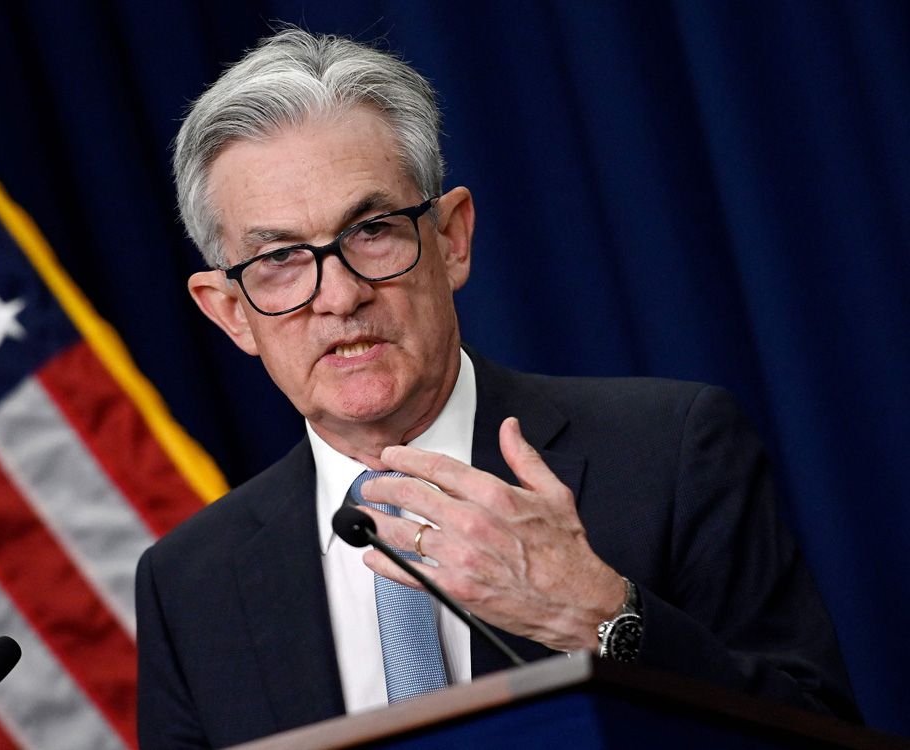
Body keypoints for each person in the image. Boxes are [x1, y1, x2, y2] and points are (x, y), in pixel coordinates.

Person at [135, 28, 859, 748]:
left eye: (373, 229)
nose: (340, 294)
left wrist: (601, 615)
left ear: (452, 238)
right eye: (283, 259)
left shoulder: (672, 452)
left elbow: (817, 734)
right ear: (230, 311)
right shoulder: (190, 586)